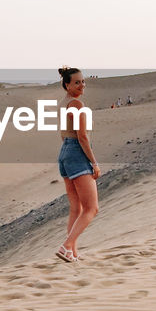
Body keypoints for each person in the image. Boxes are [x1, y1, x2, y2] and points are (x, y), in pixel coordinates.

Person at [56, 66, 99, 262]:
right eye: (76, 82)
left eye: (83, 81)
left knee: (76, 208)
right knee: (92, 208)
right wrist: (94, 163)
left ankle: (72, 251)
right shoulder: (76, 105)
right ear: (67, 85)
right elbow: (82, 136)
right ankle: (66, 246)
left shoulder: (64, 103)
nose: (82, 85)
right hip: (76, 152)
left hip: (65, 152)